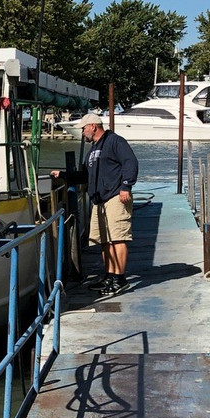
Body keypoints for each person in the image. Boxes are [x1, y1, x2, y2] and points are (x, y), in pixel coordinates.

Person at [51, 112, 139, 295]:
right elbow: (85, 175)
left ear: (93, 126)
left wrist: (126, 186)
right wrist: (64, 175)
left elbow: (130, 162)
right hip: (99, 200)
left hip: (115, 196)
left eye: (83, 128)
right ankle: (109, 275)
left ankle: (119, 279)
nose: (83, 132)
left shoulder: (115, 141)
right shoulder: (93, 150)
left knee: (117, 237)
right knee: (104, 240)